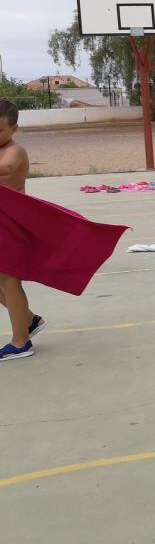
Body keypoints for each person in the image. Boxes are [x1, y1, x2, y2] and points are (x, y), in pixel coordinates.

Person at [0, 100, 45, 362]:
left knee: (9, 280)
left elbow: (5, 169)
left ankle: (20, 342)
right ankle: (29, 320)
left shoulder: (15, 151)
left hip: (10, 225)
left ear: (15, 128)